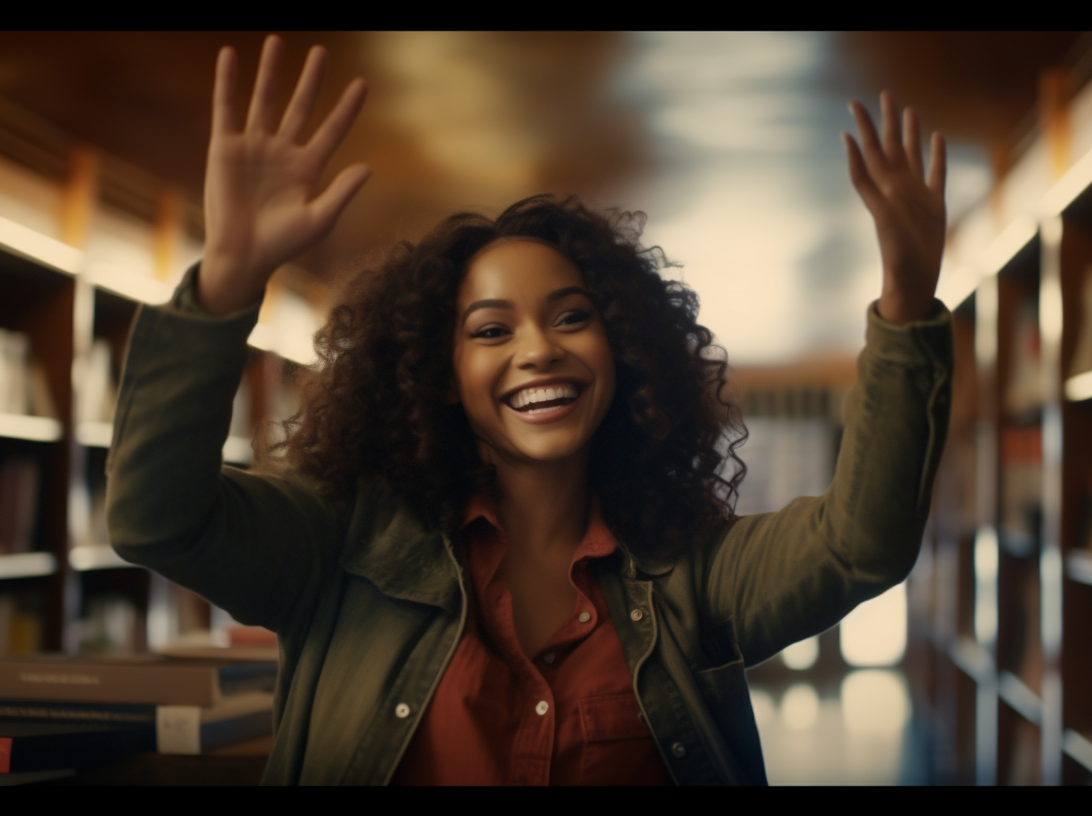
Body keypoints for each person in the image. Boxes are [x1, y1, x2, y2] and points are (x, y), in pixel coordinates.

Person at [107, 35, 953, 786]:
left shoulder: (693, 572)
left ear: (622, 352)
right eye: (490, 329)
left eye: (572, 317)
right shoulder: (340, 543)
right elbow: (156, 520)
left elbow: (859, 548)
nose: (539, 349)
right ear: (439, 374)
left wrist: (908, 304)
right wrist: (223, 284)